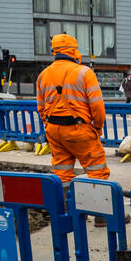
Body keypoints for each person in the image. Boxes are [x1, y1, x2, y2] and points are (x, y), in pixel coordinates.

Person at [36, 34, 110, 226]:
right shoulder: (84, 72)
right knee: (97, 171)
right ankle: (101, 217)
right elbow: (97, 106)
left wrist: (49, 126)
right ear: (74, 50)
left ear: (55, 51)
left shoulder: (43, 75)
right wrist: (98, 127)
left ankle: (69, 215)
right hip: (79, 129)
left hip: (53, 129)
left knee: (62, 172)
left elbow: (41, 107)